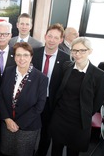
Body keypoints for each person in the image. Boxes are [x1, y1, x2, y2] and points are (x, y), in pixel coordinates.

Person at [50, 37, 104, 156]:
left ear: (90, 51)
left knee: (73, 152)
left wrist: (85, 112)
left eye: (82, 50)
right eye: (74, 50)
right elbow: (58, 90)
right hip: (60, 117)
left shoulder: (99, 75)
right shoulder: (66, 66)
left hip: (79, 122)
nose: (78, 54)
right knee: (55, 150)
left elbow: (98, 101)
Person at [0, 42, 48, 156]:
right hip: (8, 124)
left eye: (25, 55)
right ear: (14, 57)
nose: (21, 58)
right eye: (18, 55)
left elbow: (39, 106)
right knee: (6, 152)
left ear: (31, 57)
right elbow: (0, 97)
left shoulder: (41, 78)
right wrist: (7, 119)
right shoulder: (8, 72)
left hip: (28, 127)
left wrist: (18, 124)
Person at [32, 23, 70, 156]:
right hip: (32, 100)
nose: (52, 40)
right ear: (45, 37)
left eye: (56, 37)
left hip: (51, 102)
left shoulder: (66, 59)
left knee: (46, 134)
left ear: (61, 40)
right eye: (50, 36)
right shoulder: (33, 53)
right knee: (29, 130)